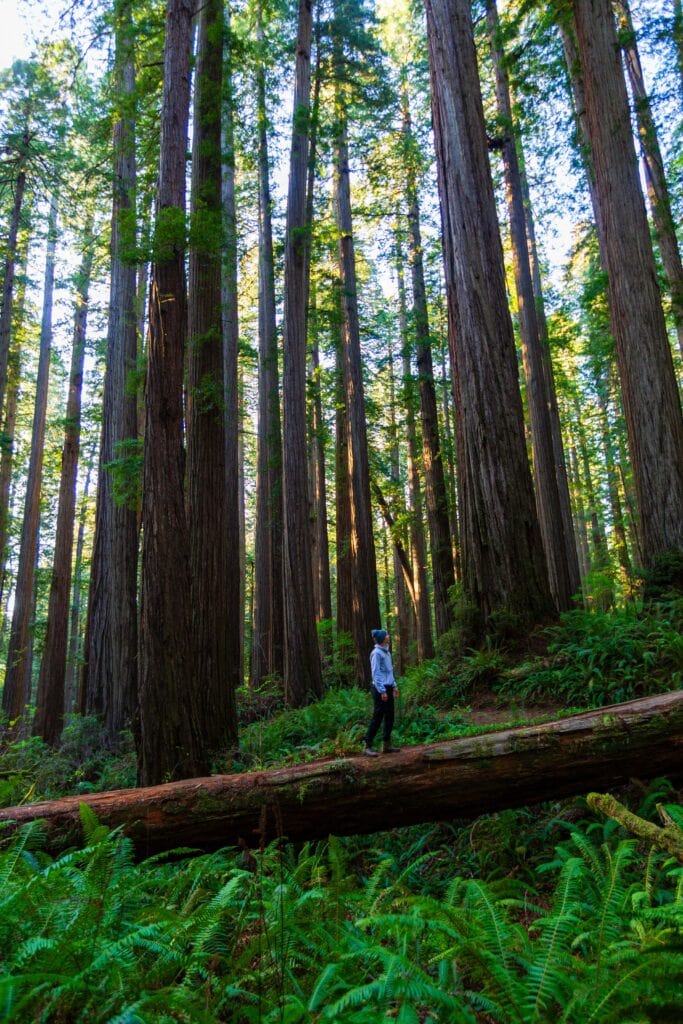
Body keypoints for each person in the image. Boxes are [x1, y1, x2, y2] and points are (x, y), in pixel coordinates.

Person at [362, 629, 401, 756]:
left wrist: (394, 686)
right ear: (382, 639)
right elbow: (376, 673)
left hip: (388, 687)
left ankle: (386, 745)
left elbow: (389, 672)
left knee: (390, 716)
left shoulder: (387, 653)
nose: (388, 636)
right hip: (380, 689)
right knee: (378, 717)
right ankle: (367, 745)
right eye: (386, 635)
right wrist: (382, 691)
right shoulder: (376, 653)